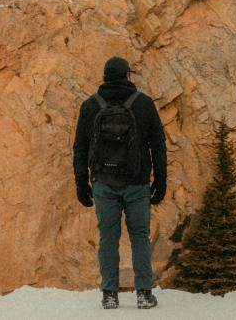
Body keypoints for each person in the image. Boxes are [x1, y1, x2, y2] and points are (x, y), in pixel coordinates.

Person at [73, 56, 167, 310]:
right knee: (139, 236)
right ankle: (144, 293)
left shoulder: (90, 105)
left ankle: (110, 294)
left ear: (105, 76)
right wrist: (161, 181)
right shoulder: (144, 104)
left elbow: (80, 148)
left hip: (103, 182)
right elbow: (158, 145)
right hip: (137, 183)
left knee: (108, 237)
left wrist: (82, 184)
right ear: (127, 75)